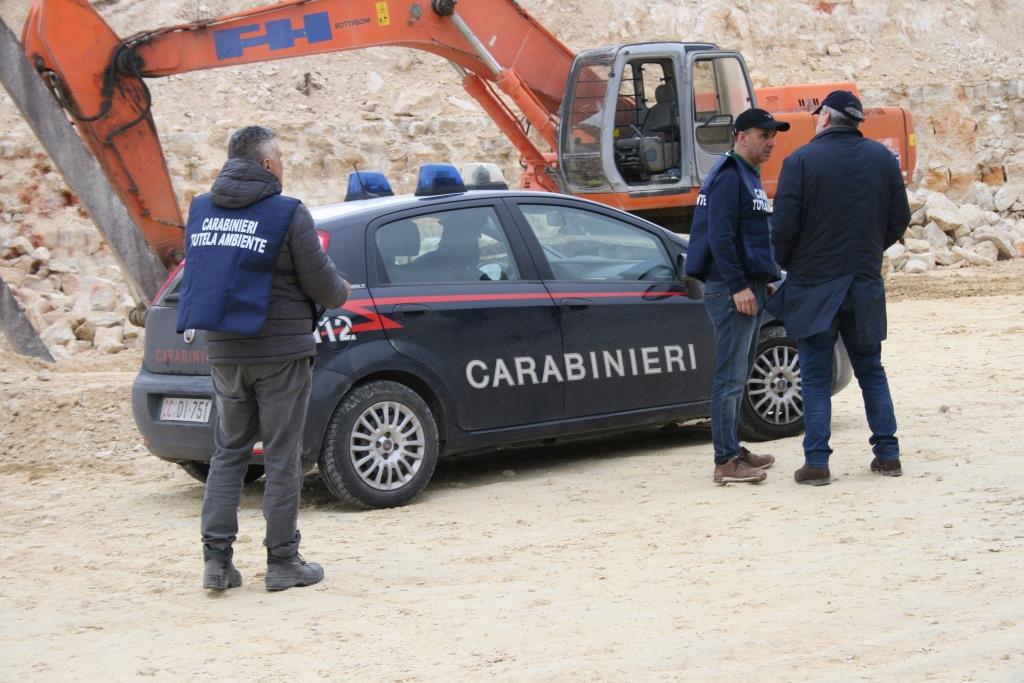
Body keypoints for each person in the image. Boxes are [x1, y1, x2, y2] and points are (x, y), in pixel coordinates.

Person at [176, 126, 350, 590]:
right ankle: (282, 562)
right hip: (281, 355)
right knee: (281, 457)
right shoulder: (288, 214)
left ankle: (216, 562)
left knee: (228, 454)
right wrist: (344, 288)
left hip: (225, 353)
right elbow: (326, 289)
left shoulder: (202, 210)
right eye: (283, 158)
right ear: (268, 164)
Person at [767, 90, 911, 486]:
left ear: (826, 117)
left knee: (814, 376)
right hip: (862, 282)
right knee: (871, 370)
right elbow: (899, 219)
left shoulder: (800, 162)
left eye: (817, 116)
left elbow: (783, 228)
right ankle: (888, 454)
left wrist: (791, 262)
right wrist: (866, 252)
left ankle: (817, 463)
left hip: (814, 285)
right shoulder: (882, 159)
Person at [685, 108, 789, 484]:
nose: (771, 142)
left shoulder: (747, 176)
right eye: (764, 135)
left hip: (751, 285)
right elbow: (721, 238)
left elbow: (753, 236)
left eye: (773, 135)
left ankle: (733, 447)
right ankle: (725, 461)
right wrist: (738, 286)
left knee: (738, 374)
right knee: (729, 376)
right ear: (742, 136)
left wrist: (766, 279)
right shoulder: (729, 177)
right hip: (732, 291)